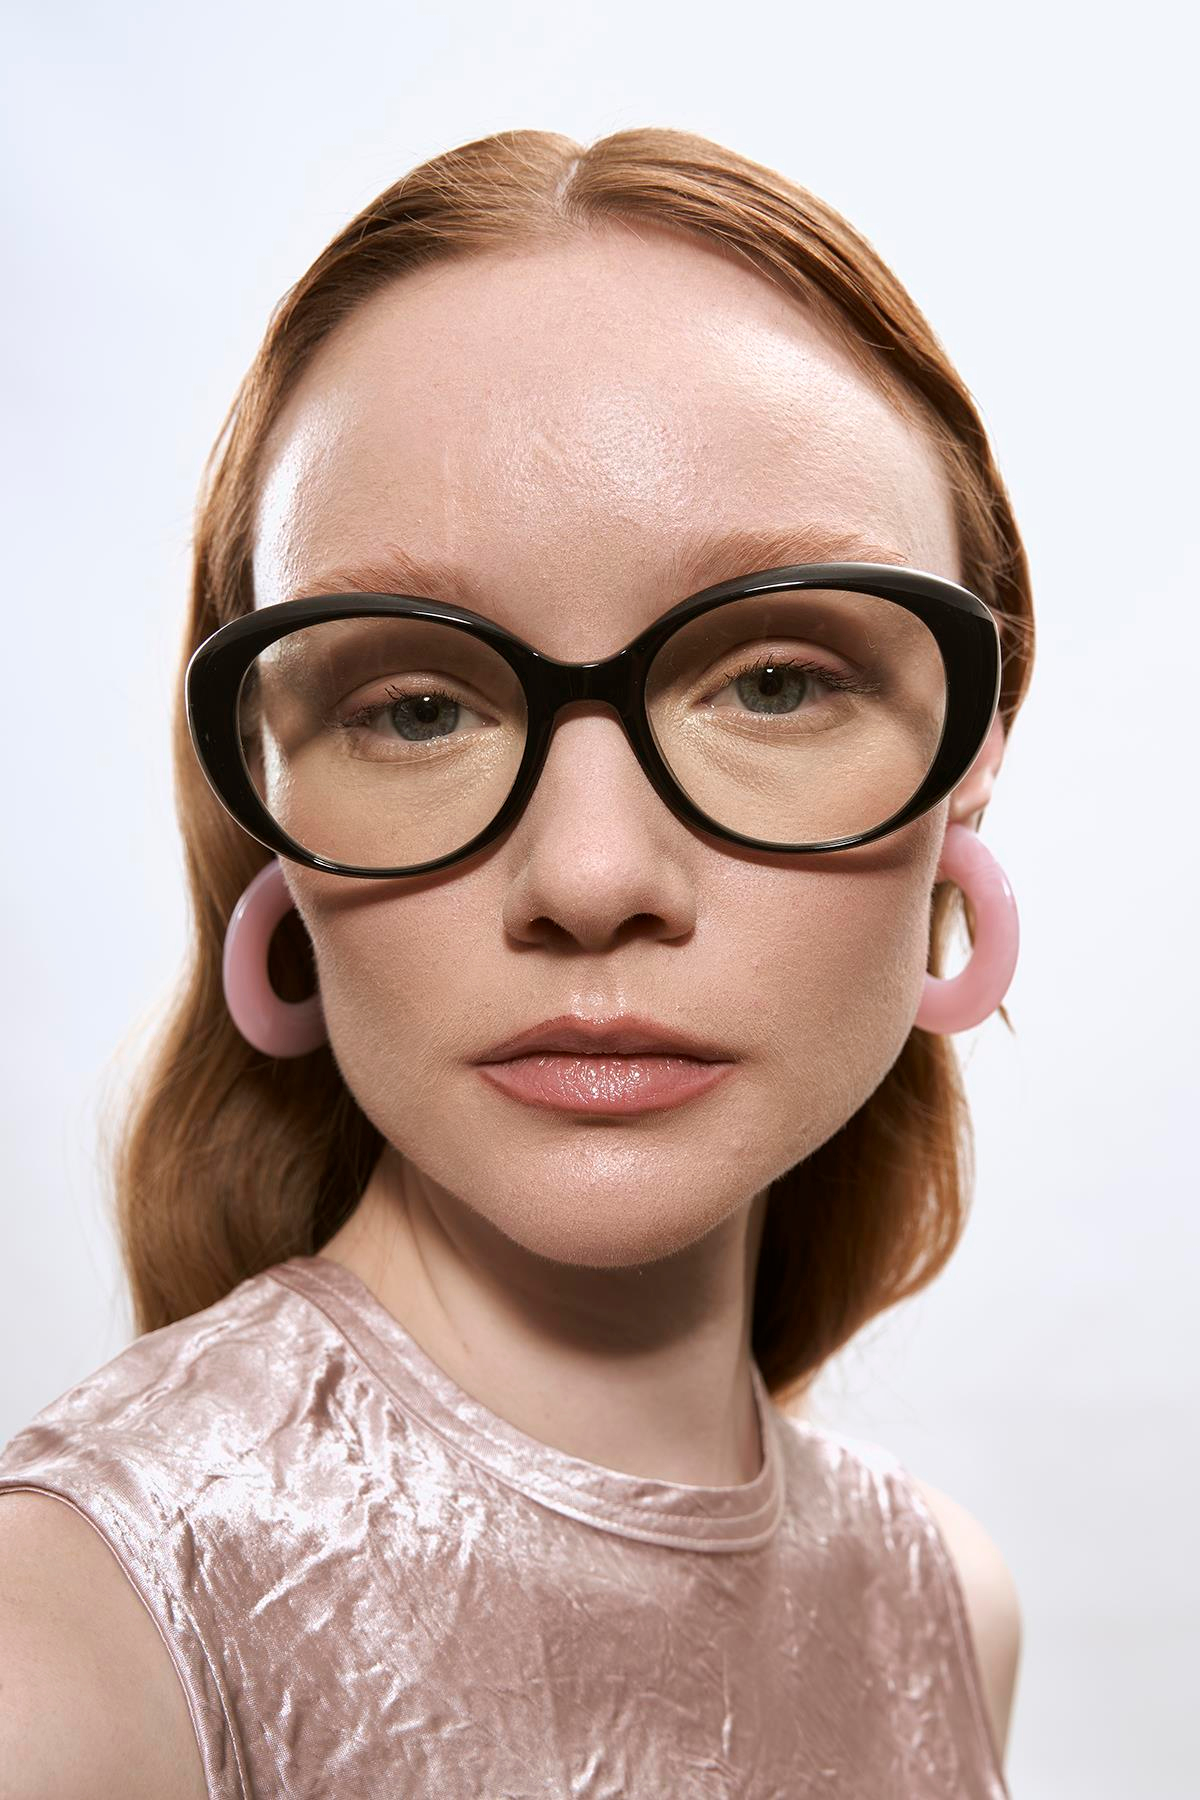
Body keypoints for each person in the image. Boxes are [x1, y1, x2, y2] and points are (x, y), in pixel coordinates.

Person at [0, 126, 1032, 1798]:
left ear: (974, 745)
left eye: (774, 681)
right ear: (267, 796)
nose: (592, 877)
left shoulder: (945, 1610)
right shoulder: (59, 1652)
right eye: (417, 708)